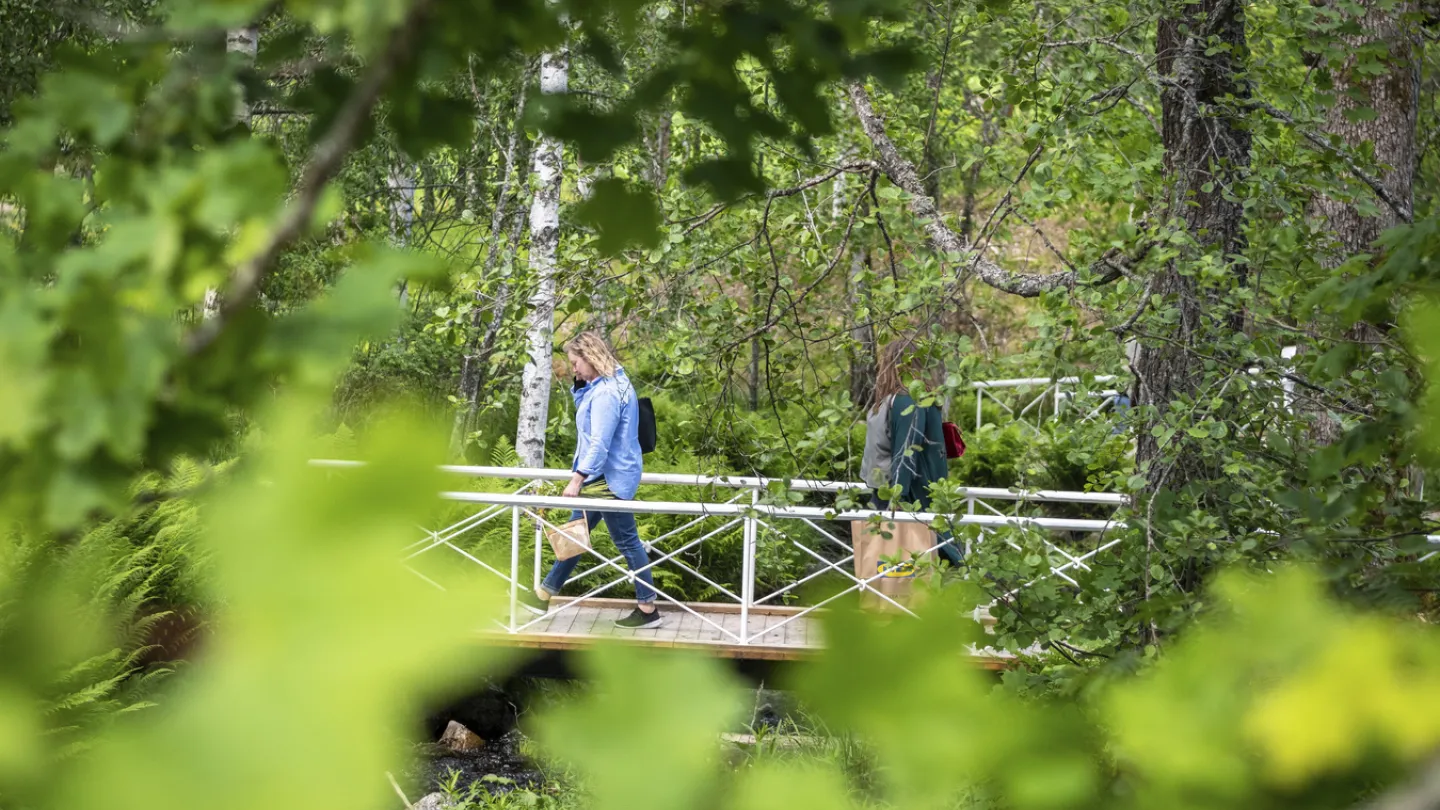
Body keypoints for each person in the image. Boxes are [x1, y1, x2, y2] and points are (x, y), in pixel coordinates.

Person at [517, 332, 661, 629]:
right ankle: (543, 594)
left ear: (589, 357)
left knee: (626, 540)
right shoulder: (610, 383)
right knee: (574, 534)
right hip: (605, 474)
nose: (573, 368)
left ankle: (647, 609)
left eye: (575, 363)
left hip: (608, 478)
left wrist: (577, 478)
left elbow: (599, 442)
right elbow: (589, 413)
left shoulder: (608, 393)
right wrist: (580, 386)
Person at [861, 339, 965, 565]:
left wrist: (896, 497)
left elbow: (906, 451)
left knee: (903, 561)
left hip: (900, 492)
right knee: (930, 556)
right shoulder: (909, 399)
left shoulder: (907, 401)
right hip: (905, 489)